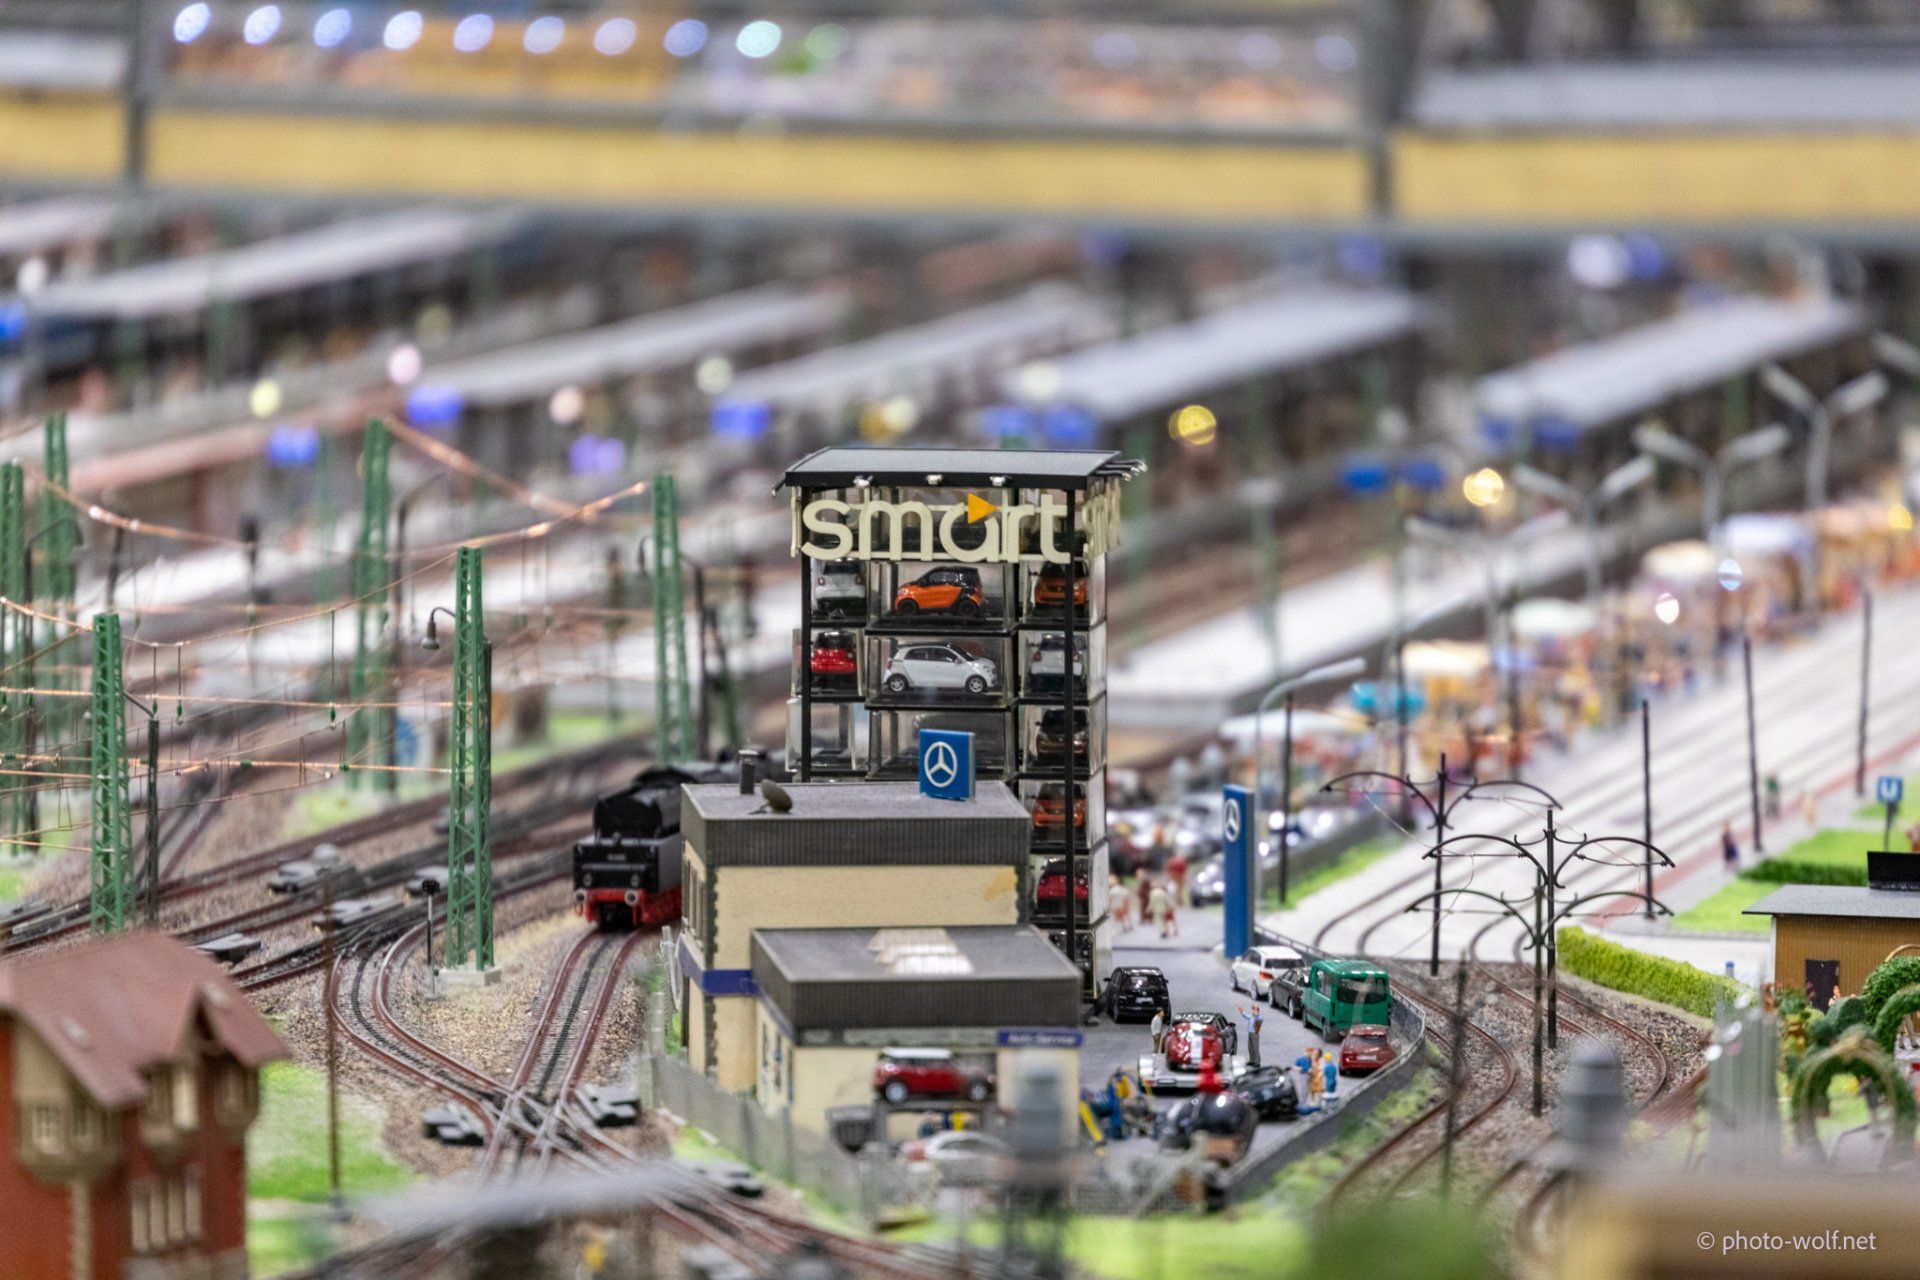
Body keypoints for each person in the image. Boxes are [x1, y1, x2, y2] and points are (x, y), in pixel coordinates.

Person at [1238, 1004, 1263, 1069]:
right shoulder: (1252, 1017)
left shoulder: (1259, 1018)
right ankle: (1251, 1060)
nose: (1252, 1010)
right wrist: (1242, 1012)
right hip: (1250, 1033)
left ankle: (1257, 1062)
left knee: (1255, 1048)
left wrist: (1256, 1013)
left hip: (1255, 1034)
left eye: (1254, 1009)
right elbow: (1246, 1016)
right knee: (1250, 1048)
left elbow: (1257, 1019)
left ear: (1257, 1010)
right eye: (1252, 1009)